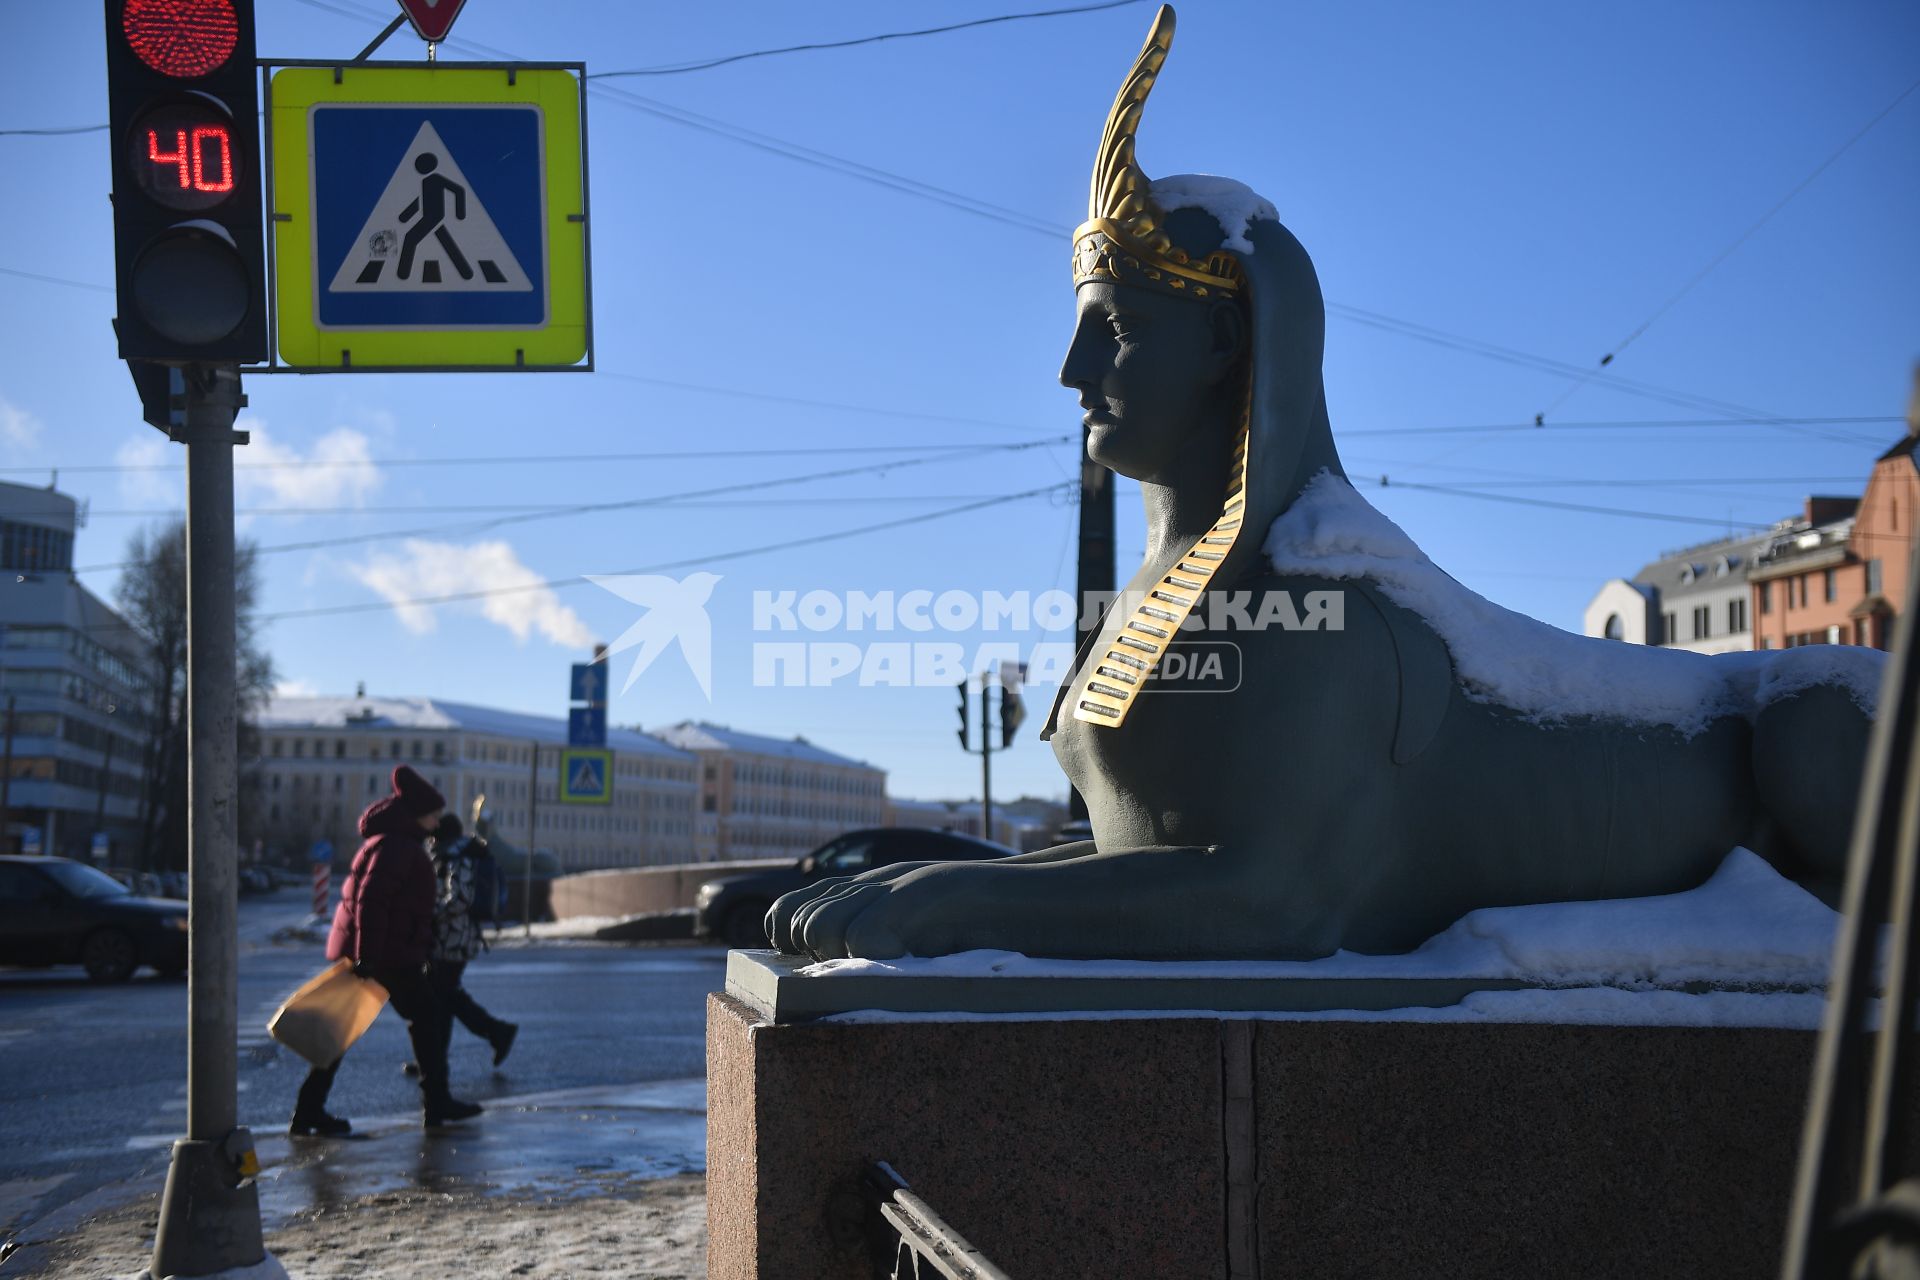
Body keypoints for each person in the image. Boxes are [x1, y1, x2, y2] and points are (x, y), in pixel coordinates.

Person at [290, 765, 484, 1135]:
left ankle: (308, 1110)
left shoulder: (392, 841)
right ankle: (437, 1102)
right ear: (418, 814)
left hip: (384, 951)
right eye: (433, 813)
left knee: (342, 1029)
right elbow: (372, 902)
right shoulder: (397, 845)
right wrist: (368, 955)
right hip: (387, 954)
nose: (437, 820)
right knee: (426, 1019)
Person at [407, 814, 517, 1074]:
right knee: (444, 998)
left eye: (434, 833)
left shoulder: (459, 857)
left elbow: (459, 899)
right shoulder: (450, 854)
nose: (430, 838)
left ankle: (496, 1033)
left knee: (443, 997)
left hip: (456, 939)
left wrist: (428, 911)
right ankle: (437, 1058)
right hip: (447, 938)